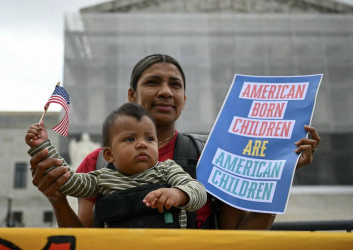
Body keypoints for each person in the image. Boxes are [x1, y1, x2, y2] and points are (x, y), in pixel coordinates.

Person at [28, 54, 321, 229]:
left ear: (184, 99)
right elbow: (85, 240)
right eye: (153, 82)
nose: (166, 91)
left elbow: (240, 237)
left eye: (175, 85)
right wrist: (56, 198)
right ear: (132, 95)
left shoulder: (212, 156)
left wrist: (282, 173)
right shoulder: (96, 162)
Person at [26, 102, 207, 228]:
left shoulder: (167, 169)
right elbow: (66, 180)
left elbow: (198, 191)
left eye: (150, 138)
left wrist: (178, 193)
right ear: (109, 154)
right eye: (130, 139)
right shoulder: (102, 178)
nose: (142, 144)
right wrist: (43, 146)